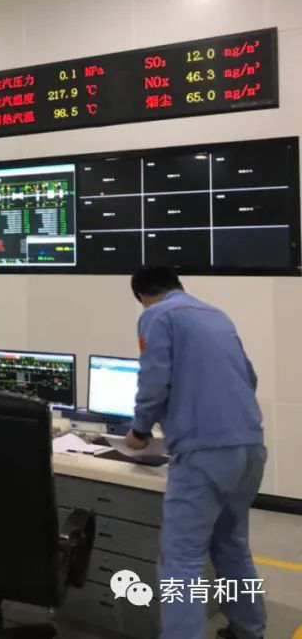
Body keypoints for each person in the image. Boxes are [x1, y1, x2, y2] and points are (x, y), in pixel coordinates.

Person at [126, 266, 266, 639]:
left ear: (143, 297)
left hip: (204, 453)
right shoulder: (217, 316)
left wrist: (140, 431)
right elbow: (249, 377)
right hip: (250, 447)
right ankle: (249, 629)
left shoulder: (156, 315)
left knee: (181, 560)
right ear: (179, 285)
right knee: (232, 545)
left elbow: (154, 380)